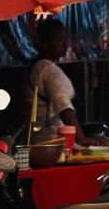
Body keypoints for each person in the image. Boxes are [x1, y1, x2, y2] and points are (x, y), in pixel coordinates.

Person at [24, 17, 85, 145]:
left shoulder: (39, 67)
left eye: (64, 39)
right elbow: (64, 107)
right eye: (59, 39)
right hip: (51, 142)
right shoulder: (47, 70)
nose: (65, 43)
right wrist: (81, 138)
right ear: (45, 44)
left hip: (40, 141)